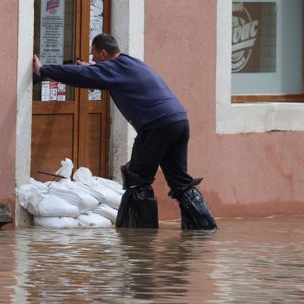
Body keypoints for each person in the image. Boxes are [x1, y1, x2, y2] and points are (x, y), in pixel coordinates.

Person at [32, 33, 217, 230]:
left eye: (94, 56)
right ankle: (204, 229)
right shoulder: (130, 63)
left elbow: (82, 77)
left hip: (156, 126)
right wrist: (93, 68)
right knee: (180, 182)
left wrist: (44, 70)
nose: (93, 60)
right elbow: (96, 72)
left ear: (103, 53)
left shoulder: (114, 69)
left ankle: (140, 236)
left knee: (137, 179)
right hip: (179, 122)